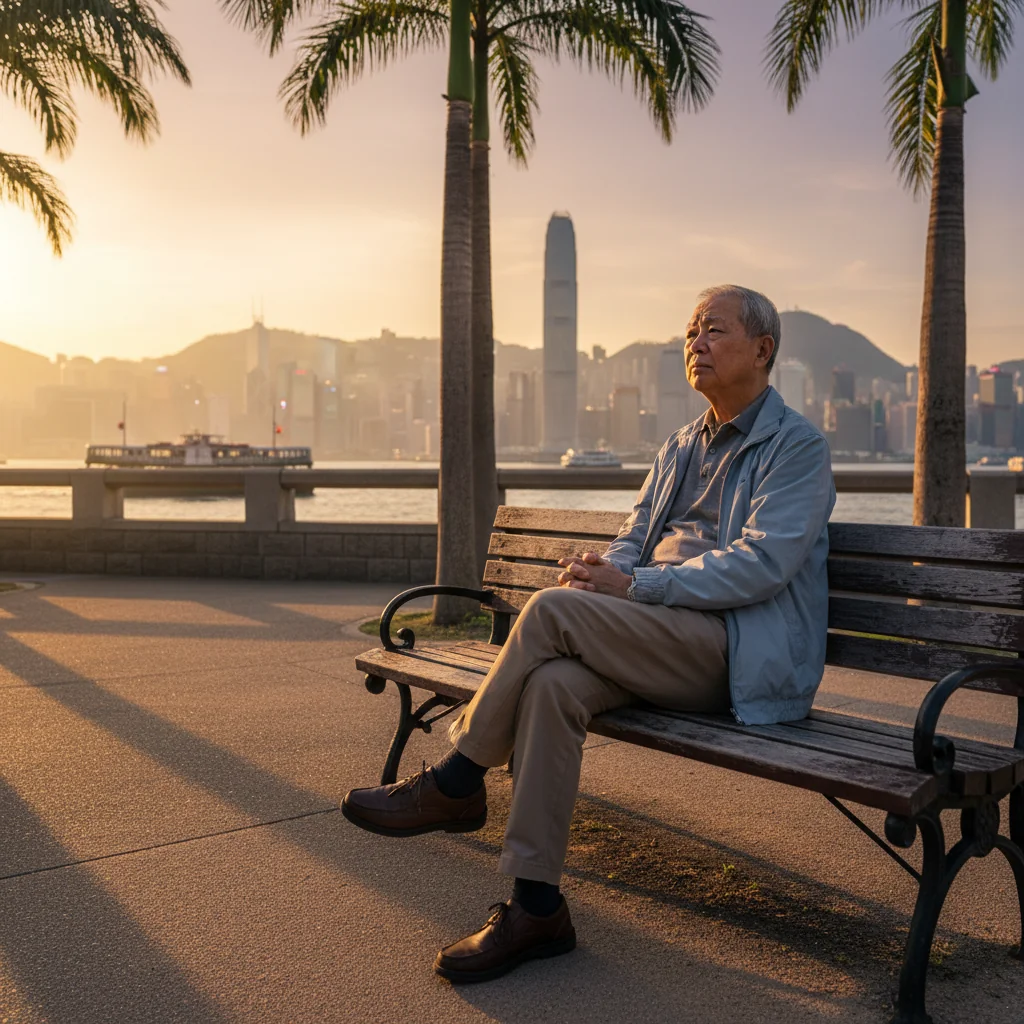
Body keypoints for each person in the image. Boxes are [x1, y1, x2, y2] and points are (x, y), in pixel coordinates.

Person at [342, 284, 836, 983]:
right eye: (691, 330)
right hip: (654, 633)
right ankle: (536, 906)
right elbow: (636, 539)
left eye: (713, 330)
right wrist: (607, 570)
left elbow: (763, 564)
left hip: (733, 652)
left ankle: (457, 779)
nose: (694, 342)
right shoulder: (679, 447)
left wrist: (637, 587)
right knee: (552, 684)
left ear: (762, 350)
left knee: (548, 612)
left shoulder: (797, 447)